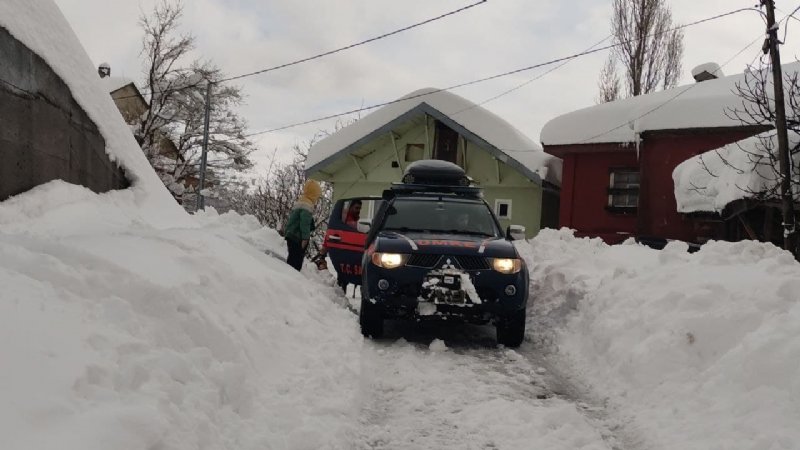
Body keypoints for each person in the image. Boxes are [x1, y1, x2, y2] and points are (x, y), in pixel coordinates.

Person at [283, 180, 322, 271]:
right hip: (297, 237)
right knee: (297, 261)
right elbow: (304, 223)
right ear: (313, 194)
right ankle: (293, 278)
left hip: (291, 234)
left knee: (292, 258)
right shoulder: (307, 205)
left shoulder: (301, 201)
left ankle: (287, 276)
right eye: (317, 195)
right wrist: (305, 238)